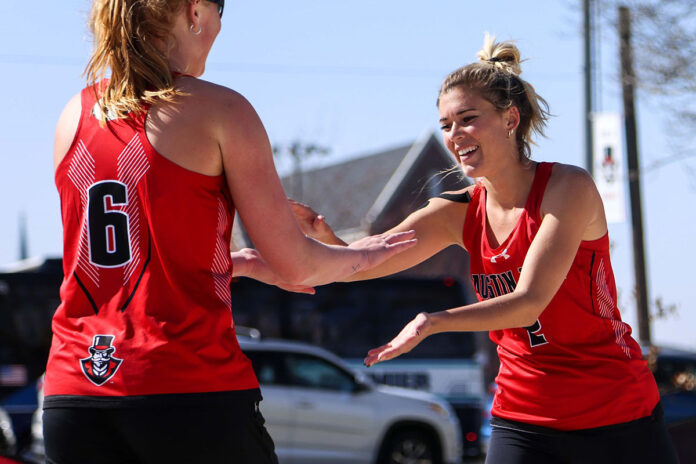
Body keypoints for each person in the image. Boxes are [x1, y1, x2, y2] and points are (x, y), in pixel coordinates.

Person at [43, 1, 416, 463]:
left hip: (75, 393)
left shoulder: (72, 116)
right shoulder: (220, 109)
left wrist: (238, 263)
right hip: (184, 388)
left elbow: (115, 264)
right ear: (195, 12)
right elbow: (297, 262)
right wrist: (367, 253)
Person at [289, 35, 680, 464]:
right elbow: (361, 262)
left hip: (615, 411)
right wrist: (319, 242)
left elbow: (528, 302)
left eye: (467, 119)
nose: (454, 135)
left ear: (510, 119)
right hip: (525, 415)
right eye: (445, 125)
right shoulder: (455, 211)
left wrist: (431, 322)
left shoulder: (568, 188)